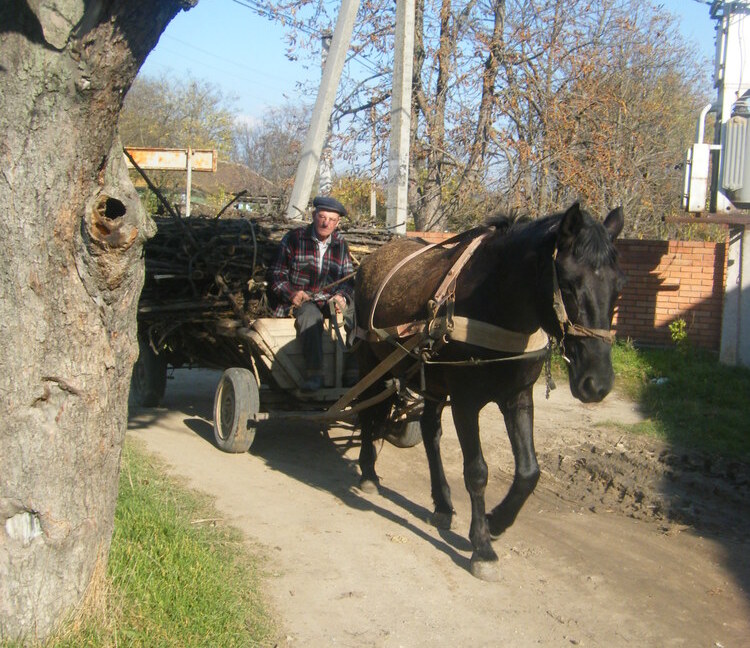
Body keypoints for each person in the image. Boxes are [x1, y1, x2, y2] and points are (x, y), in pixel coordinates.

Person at [269, 196, 355, 391]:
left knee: (356, 314)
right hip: (301, 303)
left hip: (330, 302)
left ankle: (352, 370)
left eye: (332, 220)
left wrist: (341, 296)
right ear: (314, 216)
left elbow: (348, 280)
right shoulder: (294, 239)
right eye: (322, 217)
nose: (326, 223)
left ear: (337, 223)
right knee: (310, 316)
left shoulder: (340, 244)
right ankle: (315, 374)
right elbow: (276, 274)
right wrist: (292, 293)